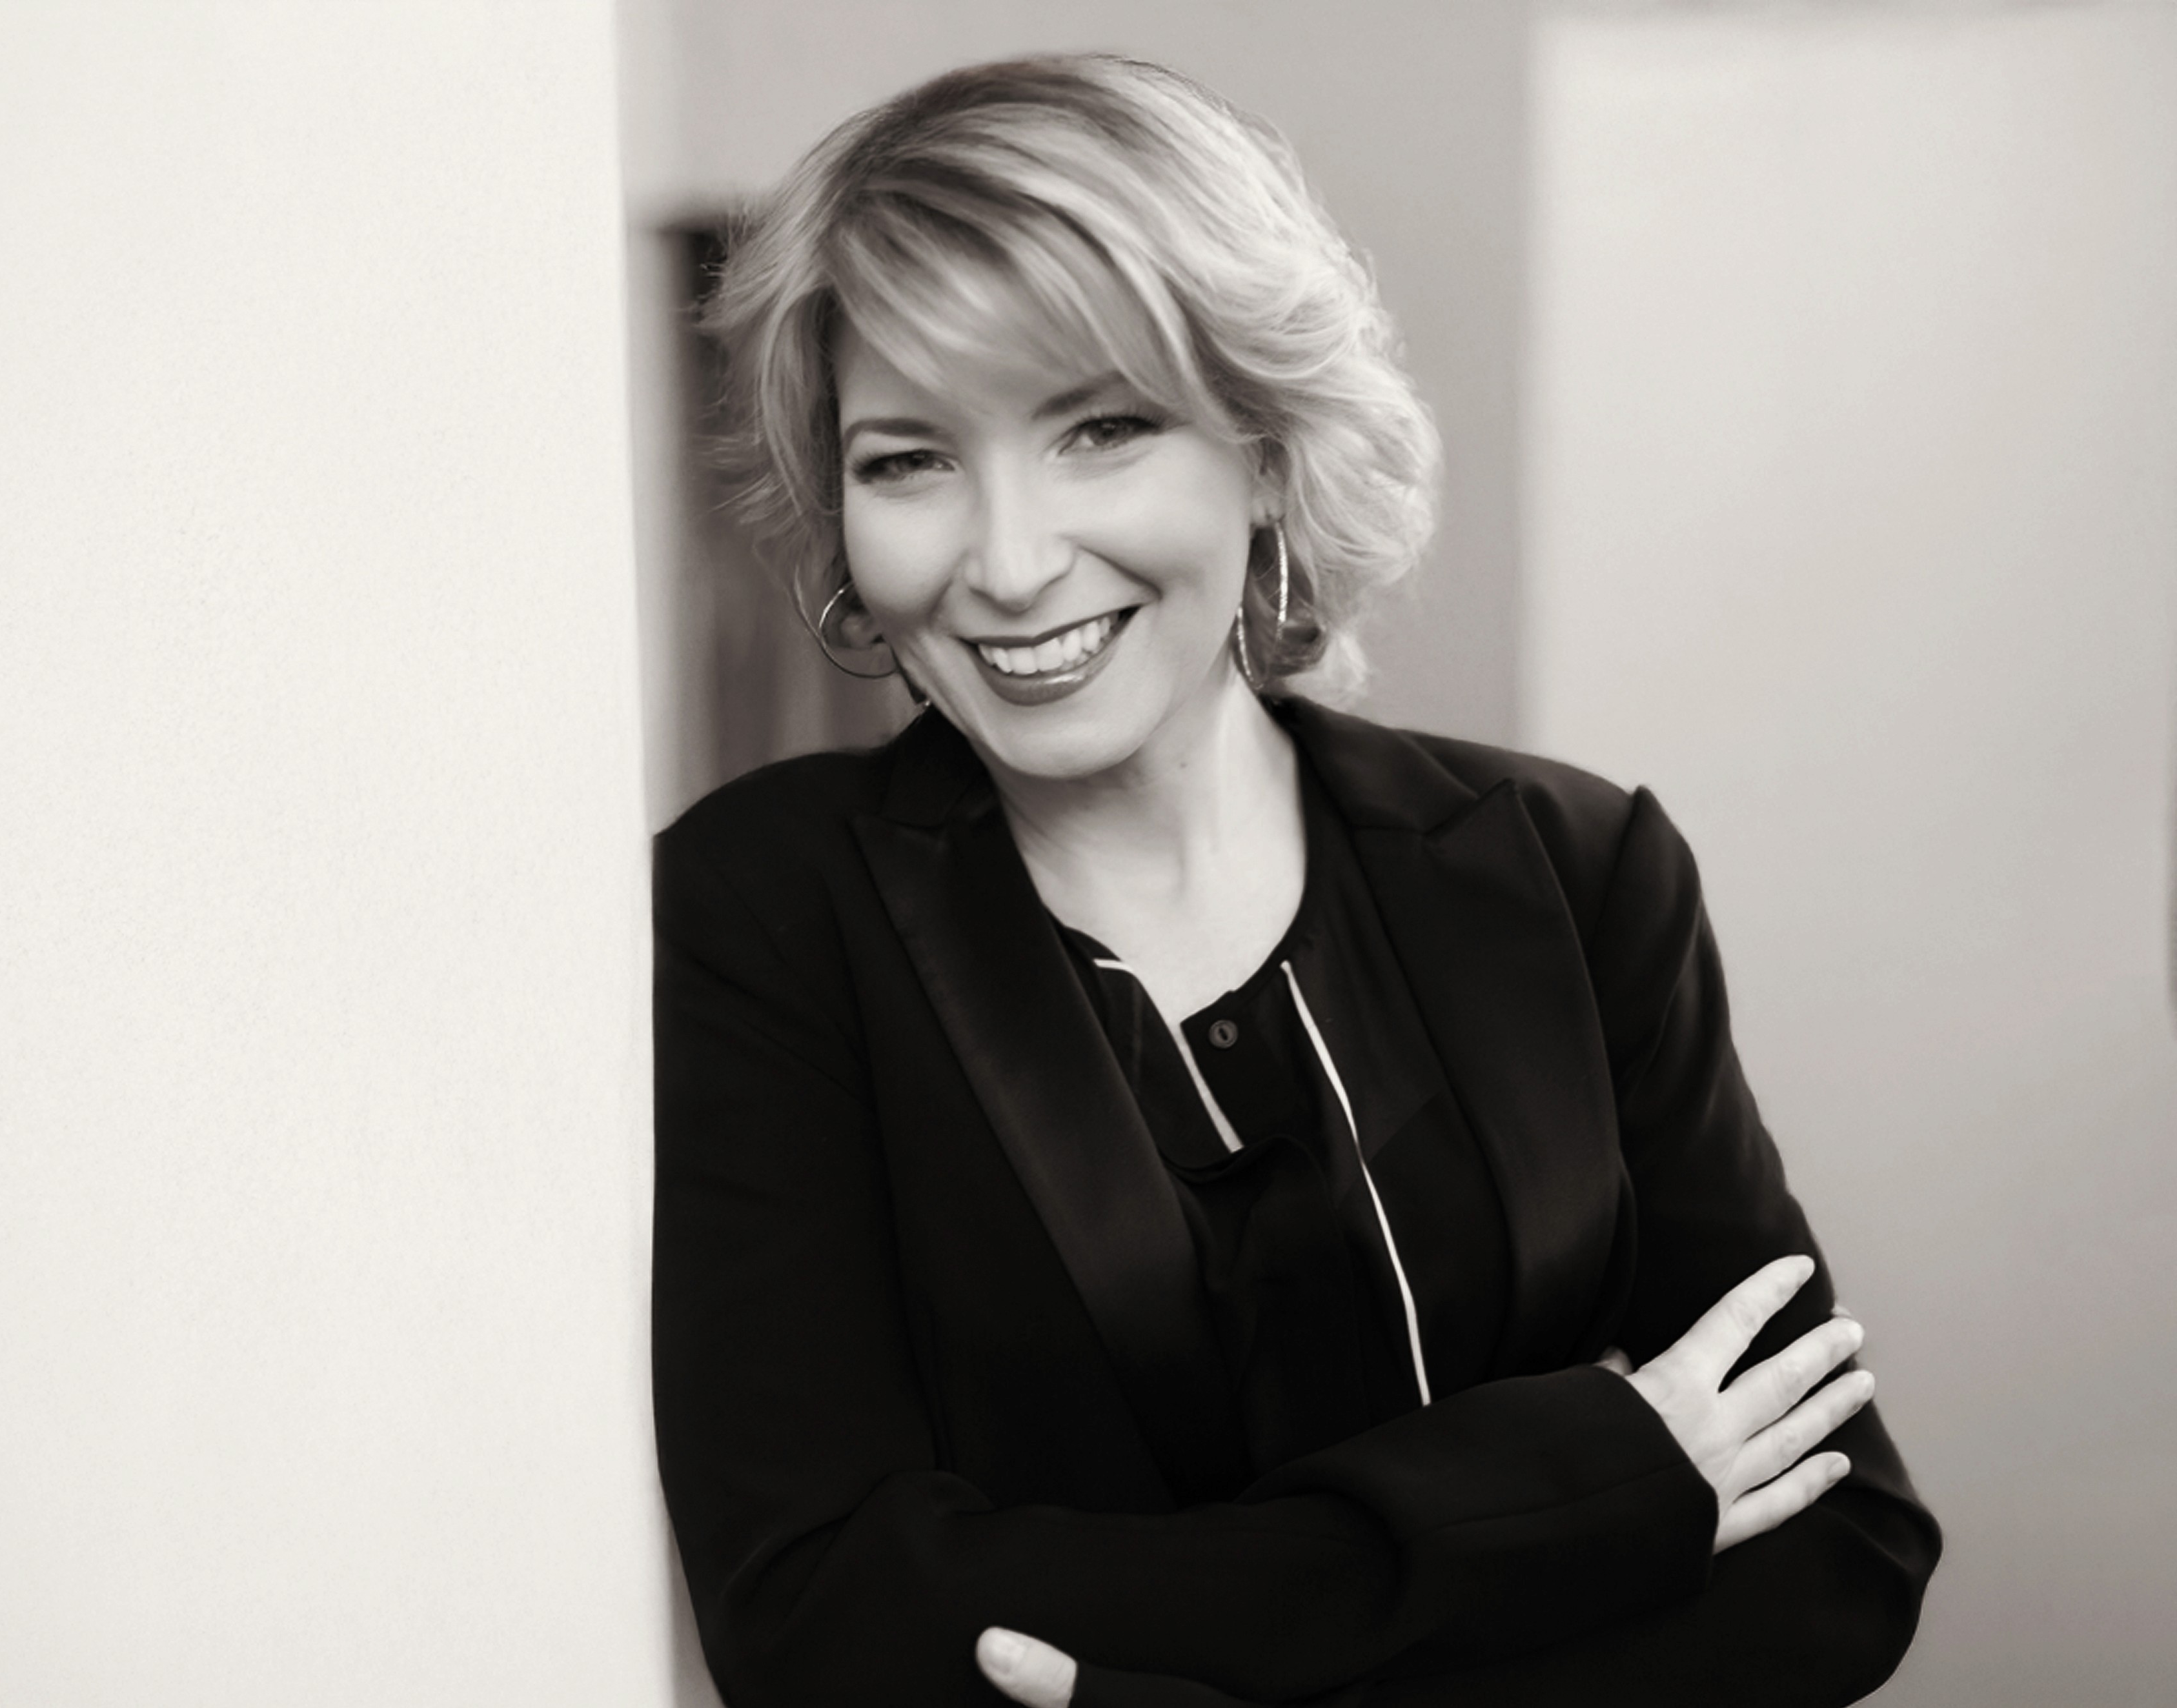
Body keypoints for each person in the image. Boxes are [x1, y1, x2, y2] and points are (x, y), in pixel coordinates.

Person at [652, 54, 1938, 1708]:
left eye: (1100, 429)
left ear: (1263, 450)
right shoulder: (757, 915)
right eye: (910, 460)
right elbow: (830, 1619)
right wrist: (1582, 1483)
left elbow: (1839, 1555)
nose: (1011, 560)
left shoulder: (1572, 869)